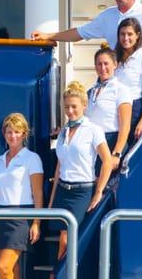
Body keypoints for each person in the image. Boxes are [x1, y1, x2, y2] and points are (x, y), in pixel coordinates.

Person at [48, 81, 112, 263]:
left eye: (74, 106)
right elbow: (60, 166)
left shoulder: (93, 130)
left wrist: (98, 192)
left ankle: (58, 275)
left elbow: (107, 161)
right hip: (62, 190)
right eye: (66, 107)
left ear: (84, 106)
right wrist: (52, 199)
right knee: (64, 241)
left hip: (82, 192)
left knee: (68, 241)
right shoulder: (63, 132)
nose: (70, 111)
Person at [0, 113, 43, 279]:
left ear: (24, 134)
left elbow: (38, 193)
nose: (13, 136)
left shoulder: (32, 159)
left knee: (2, 267)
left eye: (17, 132)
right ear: (4, 134)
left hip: (22, 218)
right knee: (12, 269)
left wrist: (37, 222)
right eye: (9, 132)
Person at [85, 47, 132, 169]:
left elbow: (125, 125)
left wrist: (117, 153)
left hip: (110, 142)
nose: (102, 68)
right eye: (99, 64)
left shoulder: (121, 90)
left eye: (106, 63)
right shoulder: (90, 92)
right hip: (91, 143)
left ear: (115, 65)